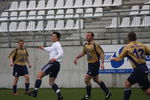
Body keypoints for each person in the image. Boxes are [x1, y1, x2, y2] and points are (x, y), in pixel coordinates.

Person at [111, 32, 150, 100]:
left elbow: (119, 59)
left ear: (128, 38)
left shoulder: (127, 47)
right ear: (136, 38)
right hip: (143, 68)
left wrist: (113, 58)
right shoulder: (142, 45)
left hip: (138, 70)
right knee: (127, 84)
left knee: (147, 91)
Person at [74, 32, 112, 100]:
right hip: (90, 64)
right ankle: (107, 92)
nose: (86, 37)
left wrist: (102, 63)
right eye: (86, 35)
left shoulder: (95, 44)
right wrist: (76, 57)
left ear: (92, 37)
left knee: (86, 79)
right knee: (96, 79)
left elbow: (102, 54)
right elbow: (83, 53)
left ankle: (88, 95)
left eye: (88, 35)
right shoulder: (86, 45)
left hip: (95, 64)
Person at [28, 32, 64, 100]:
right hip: (57, 65)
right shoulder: (55, 44)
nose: (52, 37)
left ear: (58, 38)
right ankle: (60, 95)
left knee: (39, 75)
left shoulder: (57, 44)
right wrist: (43, 48)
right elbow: (50, 49)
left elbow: (61, 53)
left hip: (52, 63)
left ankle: (35, 92)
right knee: (51, 82)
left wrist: (54, 58)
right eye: (52, 36)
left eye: (54, 36)